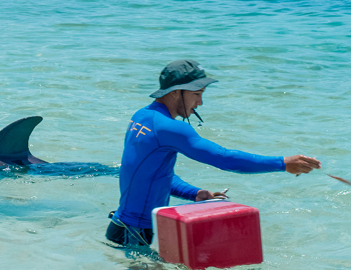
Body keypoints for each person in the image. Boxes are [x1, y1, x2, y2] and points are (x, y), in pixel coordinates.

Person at [106, 59, 320, 246]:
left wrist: (194, 193)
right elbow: (223, 158)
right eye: (197, 94)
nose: (200, 102)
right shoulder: (169, 128)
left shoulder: (142, 117)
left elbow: (151, 175)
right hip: (136, 234)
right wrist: (282, 163)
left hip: (123, 227)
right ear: (174, 93)